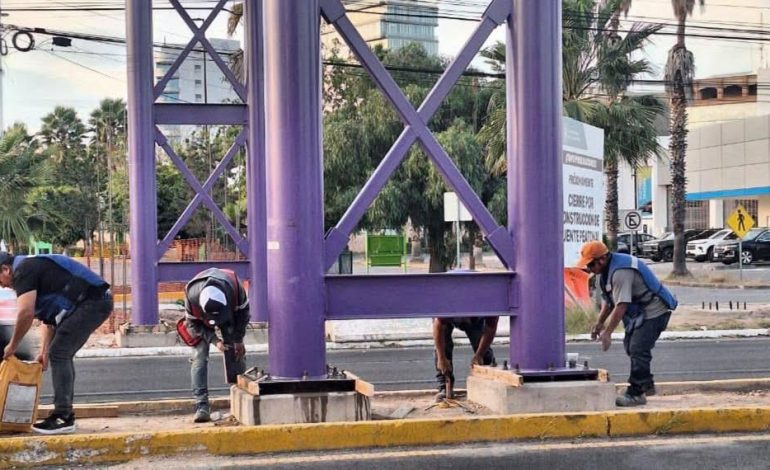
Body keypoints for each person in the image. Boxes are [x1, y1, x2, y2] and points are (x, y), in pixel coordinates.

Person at [0, 251, 112, 434]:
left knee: (60, 352)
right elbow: (49, 320)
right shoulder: (30, 269)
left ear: (6, 269)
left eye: (0, 280)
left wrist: (12, 346)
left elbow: (25, 313)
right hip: (88, 302)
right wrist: (44, 351)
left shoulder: (23, 271)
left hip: (94, 301)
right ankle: (63, 414)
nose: (3, 286)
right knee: (56, 352)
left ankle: (64, 417)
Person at [576, 240, 676, 407]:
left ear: (602, 259)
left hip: (655, 310)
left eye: (591, 265)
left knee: (638, 348)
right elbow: (609, 302)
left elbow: (621, 305)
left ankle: (636, 393)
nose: (589, 269)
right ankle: (646, 385)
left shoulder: (620, 271)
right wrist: (599, 323)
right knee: (630, 345)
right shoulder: (606, 272)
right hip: (641, 312)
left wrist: (608, 332)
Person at [177, 268, 249, 423]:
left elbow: (243, 316)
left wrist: (238, 340)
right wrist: (214, 340)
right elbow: (193, 325)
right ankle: (201, 406)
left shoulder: (236, 289)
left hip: (230, 317)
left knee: (236, 352)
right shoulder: (191, 295)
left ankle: (241, 398)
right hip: (201, 323)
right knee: (199, 357)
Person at [433, 316, 498, 402]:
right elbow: (438, 326)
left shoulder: (489, 308)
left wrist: (479, 354)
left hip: (475, 319)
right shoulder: (446, 310)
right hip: (448, 318)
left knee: (483, 350)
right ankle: (445, 386)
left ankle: (488, 383)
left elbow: (491, 328)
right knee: (443, 350)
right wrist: (441, 358)